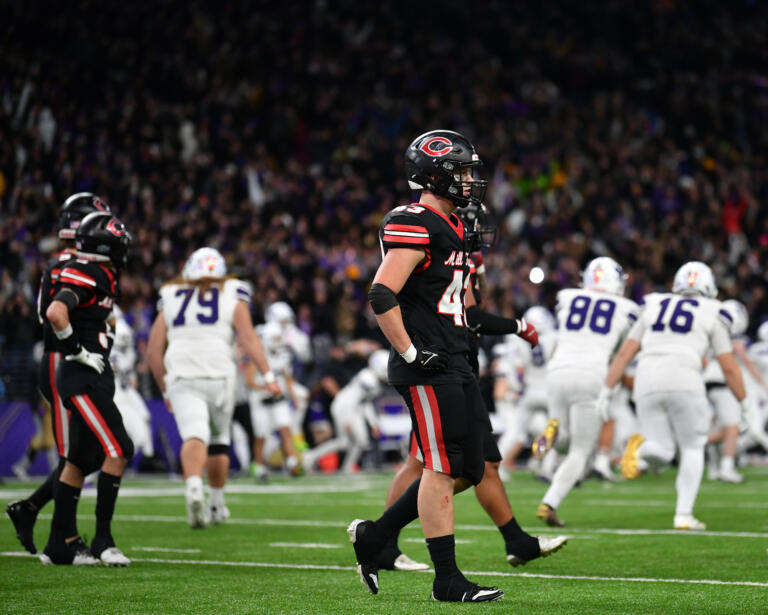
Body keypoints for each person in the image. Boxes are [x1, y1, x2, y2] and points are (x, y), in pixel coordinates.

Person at [349, 130, 546, 603]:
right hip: (428, 361)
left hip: (455, 355)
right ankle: (447, 580)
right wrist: (412, 352)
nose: (468, 180)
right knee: (439, 466)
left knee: (471, 468)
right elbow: (381, 292)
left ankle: (375, 536)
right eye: (460, 171)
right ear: (434, 173)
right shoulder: (414, 219)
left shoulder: (453, 223)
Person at [596, 261, 750, 530]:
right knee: (692, 447)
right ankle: (683, 515)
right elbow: (728, 366)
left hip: (646, 378)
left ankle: (641, 449)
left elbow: (625, 353)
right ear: (709, 286)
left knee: (664, 450)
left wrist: (606, 391)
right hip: (684, 377)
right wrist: (745, 403)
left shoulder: (653, 304)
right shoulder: (714, 311)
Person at [5, 193, 113, 558]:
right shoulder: (73, 263)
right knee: (76, 455)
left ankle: (32, 509)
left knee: (88, 454)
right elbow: (57, 312)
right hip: (62, 357)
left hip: (62, 357)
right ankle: (61, 540)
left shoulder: (63, 261)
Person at [147, 247, 280, 528]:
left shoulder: (171, 292)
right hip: (219, 371)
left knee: (194, 435)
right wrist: (268, 375)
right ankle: (217, 503)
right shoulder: (232, 289)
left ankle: (194, 485)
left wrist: (164, 389)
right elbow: (248, 337)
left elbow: (154, 350)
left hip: (182, 371)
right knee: (219, 438)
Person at [41, 211, 134, 566]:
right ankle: (103, 541)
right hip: (82, 374)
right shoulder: (89, 271)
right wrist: (77, 350)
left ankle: (59, 544)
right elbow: (55, 312)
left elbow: (98, 315)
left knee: (79, 458)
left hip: (91, 373)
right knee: (120, 447)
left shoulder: (103, 274)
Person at [535, 257, 639, 527]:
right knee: (581, 450)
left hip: (558, 370)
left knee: (563, 438)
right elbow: (623, 350)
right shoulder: (627, 307)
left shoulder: (567, 297)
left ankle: (551, 432)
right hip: (592, 373)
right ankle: (550, 502)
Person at [705, 299, 768, 482]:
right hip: (724, 381)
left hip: (709, 380)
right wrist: (763, 384)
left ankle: (714, 468)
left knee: (720, 426)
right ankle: (725, 466)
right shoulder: (735, 338)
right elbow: (744, 359)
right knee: (732, 426)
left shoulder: (712, 331)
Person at [494, 306, 557, 479]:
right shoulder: (554, 337)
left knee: (515, 432)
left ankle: (496, 467)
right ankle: (548, 467)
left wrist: (519, 388)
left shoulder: (518, 340)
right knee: (551, 430)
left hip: (529, 392)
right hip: (549, 390)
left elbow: (519, 369)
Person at [301, 349, 388, 473]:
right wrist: (347, 420)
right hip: (344, 407)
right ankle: (310, 456)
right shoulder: (367, 379)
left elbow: (365, 403)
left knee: (362, 441)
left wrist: (373, 423)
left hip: (354, 409)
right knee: (344, 442)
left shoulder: (374, 381)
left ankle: (347, 467)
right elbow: (353, 400)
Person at [245, 316, 303, 480]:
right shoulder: (258, 354)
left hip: (278, 398)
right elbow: (249, 380)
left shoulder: (284, 355)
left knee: (285, 429)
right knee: (261, 435)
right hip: (260, 399)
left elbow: (287, 378)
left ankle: (292, 463)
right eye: (275, 338)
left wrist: (293, 397)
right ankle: (260, 467)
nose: (278, 341)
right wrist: (266, 388)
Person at [111, 305, 156, 468]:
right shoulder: (119, 333)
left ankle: (147, 458)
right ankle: (95, 474)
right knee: (134, 438)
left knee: (143, 420)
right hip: (116, 393)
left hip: (123, 389)